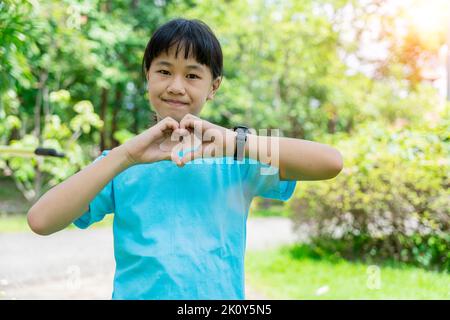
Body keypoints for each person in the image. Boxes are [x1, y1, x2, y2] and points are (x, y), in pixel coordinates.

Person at [27, 18, 343, 300]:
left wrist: (235, 142)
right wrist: (125, 155)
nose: (176, 86)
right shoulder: (123, 162)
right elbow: (41, 221)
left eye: (192, 75)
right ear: (147, 77)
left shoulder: (235, 157)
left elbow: (330, 162)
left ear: (213, 87)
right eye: (164, 71)